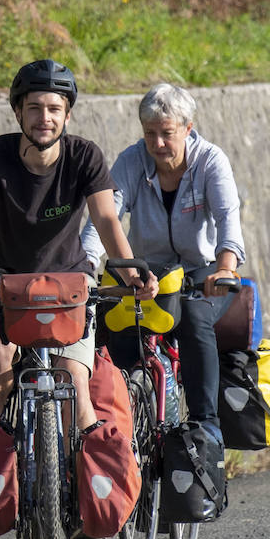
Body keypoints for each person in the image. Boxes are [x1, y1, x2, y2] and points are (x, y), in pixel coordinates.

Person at [0, 59, 154, 437]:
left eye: (54, 109)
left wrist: (131, 272)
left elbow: (106, 220)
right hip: (3, 274)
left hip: (69, 275)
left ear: (67, 115)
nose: (44, 118)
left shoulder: (85, 156)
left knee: (74, 382)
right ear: (18, 111)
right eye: (34, 107)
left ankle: (83, 481)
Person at [82, 81, 245, 443]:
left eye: (167, 133)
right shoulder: (131, 160)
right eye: (149, 134)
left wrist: (226, 267)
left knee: (195, 319)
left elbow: (227, 216)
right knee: (118, 325)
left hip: (200, 273)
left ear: (188, 128)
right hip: (145, 272)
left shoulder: (210, 161)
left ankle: (207, 426)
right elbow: (104, 216)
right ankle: (121, 422)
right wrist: (85, 263)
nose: (157, 144)